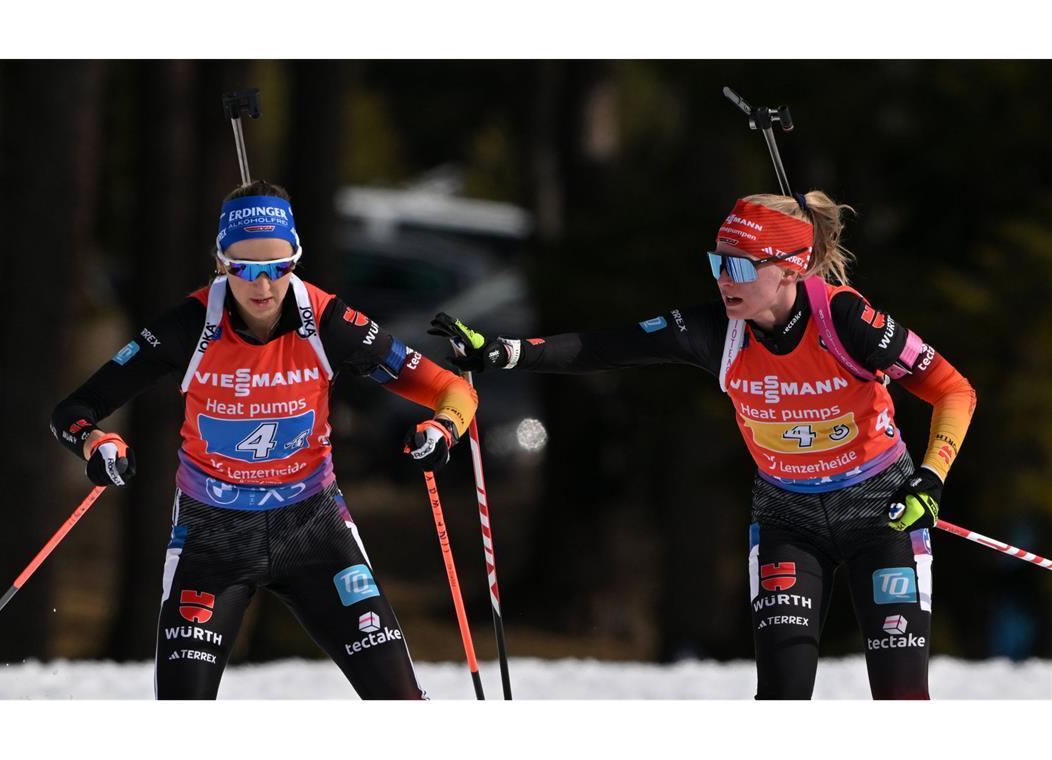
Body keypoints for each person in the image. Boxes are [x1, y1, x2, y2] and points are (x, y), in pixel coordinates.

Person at [432, 191, 976, 699]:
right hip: (789, 518)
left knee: (901, 699)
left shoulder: (846, 320)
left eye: (739, 265)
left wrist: (932, 476)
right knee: (781, 699)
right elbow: (607, 345)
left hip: (882, 513)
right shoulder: (718, 330)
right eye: (717, 262)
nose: (723, 279)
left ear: (790, 268)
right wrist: (506, 352)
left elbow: (953, 390)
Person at [51, 179, 477, 699]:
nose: (263, 285)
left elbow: (451, 389)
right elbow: (73, 412)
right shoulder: (188, 326)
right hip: (213, 535)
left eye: (278, 267)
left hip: (314, 528)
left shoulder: (328, 321)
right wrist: (96, 444)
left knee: (400, 705)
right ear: (221, 263)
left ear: (295, 260)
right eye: (245, 268)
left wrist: (443, 426)